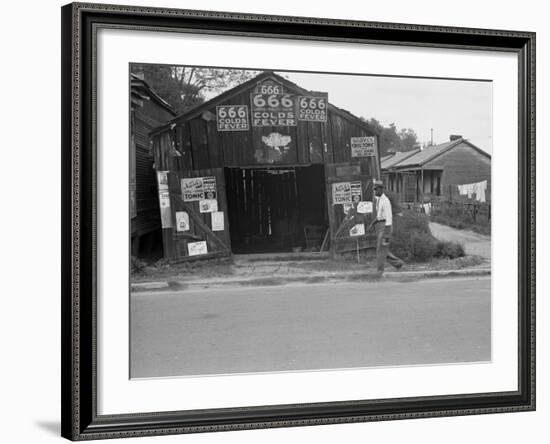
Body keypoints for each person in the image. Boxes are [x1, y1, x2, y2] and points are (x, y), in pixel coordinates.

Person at [367, 180, 404, 275]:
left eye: (376, 190)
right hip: (380, 226)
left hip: (386, 227)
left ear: (381, 189)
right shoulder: (379, 200)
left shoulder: (385, 201)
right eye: (374, 190)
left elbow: (389, 217)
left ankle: (380, 271)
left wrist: (387, 233)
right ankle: (398, 263)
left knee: (380, 249)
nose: (375, 192)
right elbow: (379, 216)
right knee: (383, 249)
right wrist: (372, 224)